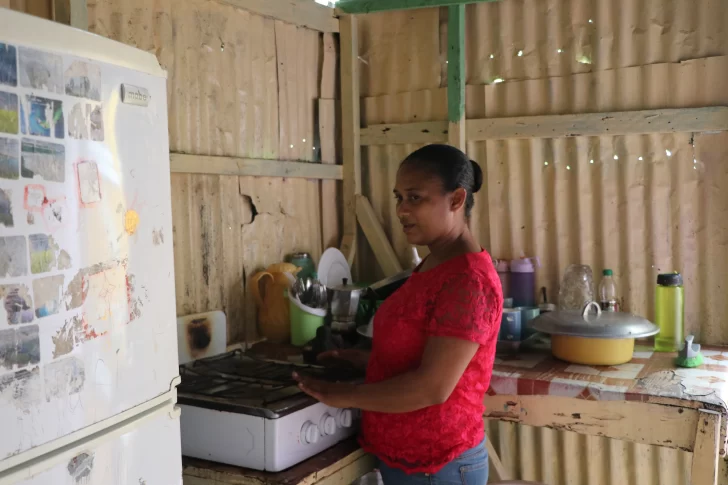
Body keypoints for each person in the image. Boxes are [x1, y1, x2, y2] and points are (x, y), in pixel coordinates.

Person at [294, 144, 503, 484]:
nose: (401, 210)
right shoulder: (437, 261)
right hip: (412, 462)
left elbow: (432, 387)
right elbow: (422, 352)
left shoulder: (468, 281)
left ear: (456, 200)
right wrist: (364, 360)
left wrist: (343, 395)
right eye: (398, 197)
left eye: (415, 198)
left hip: (438, 467)